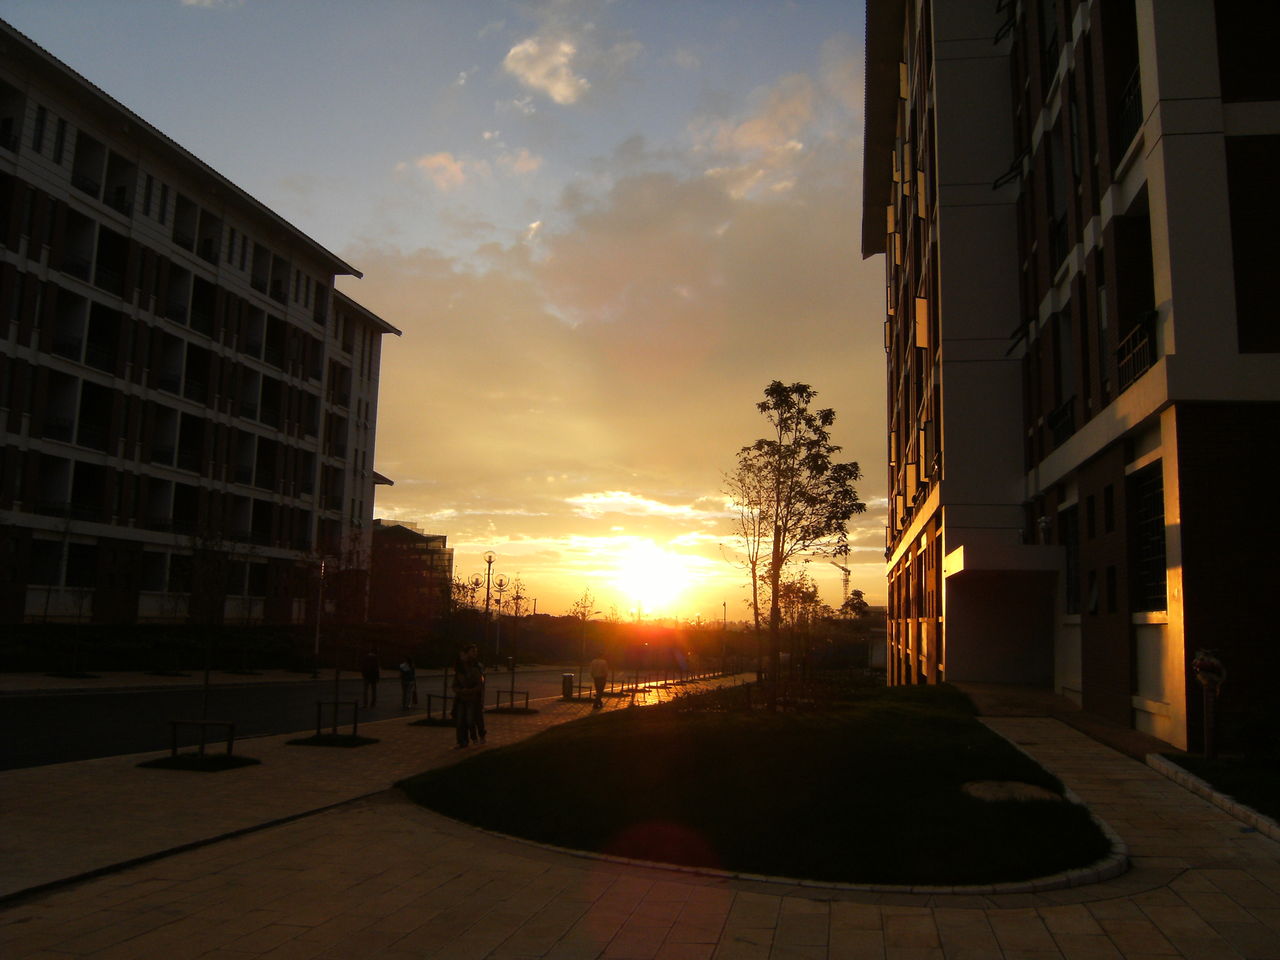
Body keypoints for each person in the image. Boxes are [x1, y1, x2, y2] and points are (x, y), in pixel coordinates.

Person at [452, 644, 485, 747]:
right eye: (472, 651)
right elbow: (455, 685)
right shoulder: (459, 669)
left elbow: (480, 684)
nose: (474, 653)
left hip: (473, 698)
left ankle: (477, 736)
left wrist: (470, 691)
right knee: (460, 721)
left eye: (475, 651)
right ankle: (462, 741)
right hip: (461, 698)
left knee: (472, 720)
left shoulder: (477, 667)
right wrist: (461, 691)